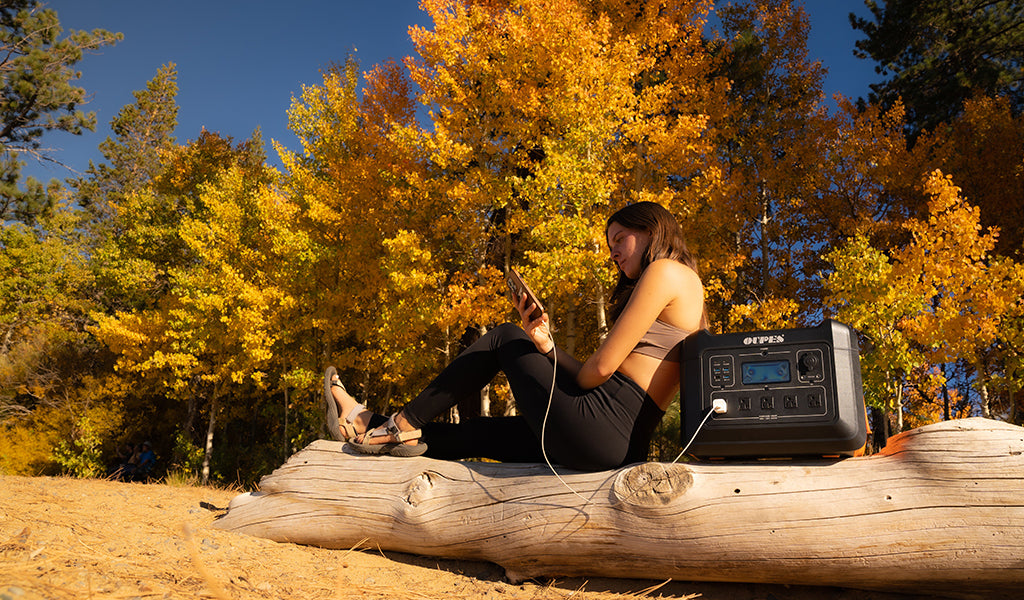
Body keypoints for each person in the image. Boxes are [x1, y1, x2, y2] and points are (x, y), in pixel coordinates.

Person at [324, 201, 705, 472]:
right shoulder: (692, 292)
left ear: (652, 229)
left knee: (506, 336)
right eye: (610, 246)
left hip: (604, 424)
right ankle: (370, 422)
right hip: (618, 442)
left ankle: (399, 423)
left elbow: (600, 369)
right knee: (483, 434)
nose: (614, 254)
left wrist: (538, 349)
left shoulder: (666, 271)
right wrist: (547, 346)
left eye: (620, 239)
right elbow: (603, 374)